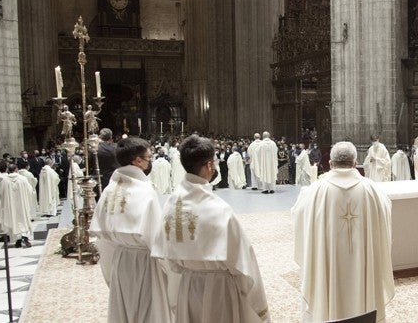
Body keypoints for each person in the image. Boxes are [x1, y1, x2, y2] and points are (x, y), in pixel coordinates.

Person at [152, 135, 270, 322]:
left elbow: (166, 258)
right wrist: (259, 305)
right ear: (209, 165)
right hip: (219, 291)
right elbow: (244, 263)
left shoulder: (170, 204)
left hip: (188, 287)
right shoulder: (219, 210)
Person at [292, 141, 395, 322]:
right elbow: (385, 219)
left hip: (327, 265)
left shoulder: (314, 191)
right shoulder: (372, 190)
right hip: (364, 268)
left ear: (330, 164)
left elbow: (299, 218)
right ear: (356, 163)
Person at [89, 137, 170, 323]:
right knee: (148, 311)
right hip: (145, 262)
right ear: (138, 161)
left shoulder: (109, 190)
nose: (150, 161)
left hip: (120, 260)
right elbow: (156, 239)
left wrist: (110, 272)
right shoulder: (144, 191)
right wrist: (170, 271)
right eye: (149, 158)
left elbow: (103, 241)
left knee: (125, 309)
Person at [0, 164, 34, 248]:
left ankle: (17, 240)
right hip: (22, 204)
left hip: (11, 206)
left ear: (9, 170)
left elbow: (0, 193)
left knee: (14, 221)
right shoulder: (22, 179)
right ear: (16, 169)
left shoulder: (4, 180)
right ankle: (25, 236)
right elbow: (30, 190)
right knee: (23, 220)